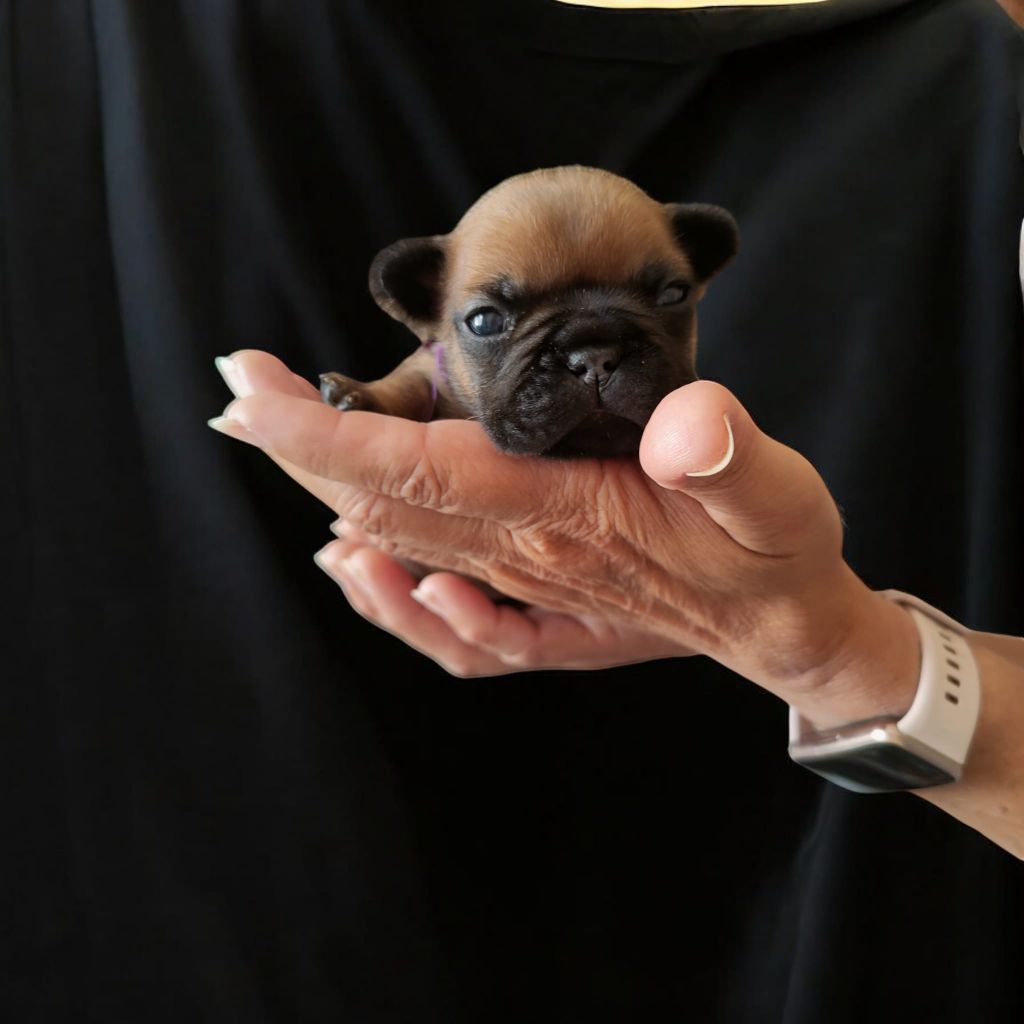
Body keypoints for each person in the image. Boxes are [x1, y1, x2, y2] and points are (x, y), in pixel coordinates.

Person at [5, 0, 1023, 1021]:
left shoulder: (983, 75)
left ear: (703, 268)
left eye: (658, 299)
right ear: (420, 298)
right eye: (497, 321)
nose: (590, 357)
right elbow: (415, 380)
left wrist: (836, 649)